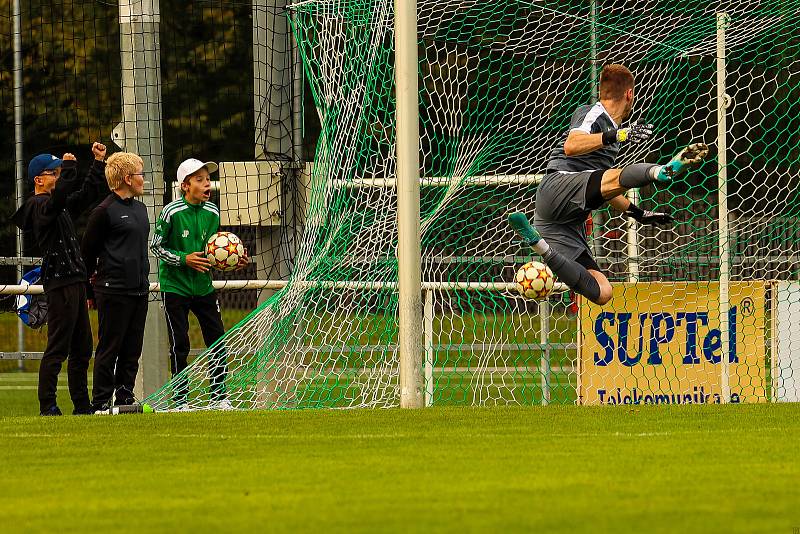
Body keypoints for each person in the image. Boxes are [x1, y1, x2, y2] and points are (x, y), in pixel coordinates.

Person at [509, 64, 708, 306]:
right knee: (616, 175)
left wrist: (638, 213)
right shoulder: (593, 113)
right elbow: (571, 145)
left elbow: (603, 186)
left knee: (603, 292)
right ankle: (661, 172)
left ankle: (539, 245)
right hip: (558, 186)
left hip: (564, 223)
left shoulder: (612, 130)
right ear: (629, 94)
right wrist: (618, 135)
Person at [12, 143, 108, 415]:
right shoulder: (38, 205)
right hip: (60, 283)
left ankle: (82, 405)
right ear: (38, 180)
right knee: (58, 347)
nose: (58, 177)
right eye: (53, 173)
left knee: (82, 349)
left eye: (58, 173)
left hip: (75, 282)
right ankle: (48, 405)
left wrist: (97, 163)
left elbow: (86, 194)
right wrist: (68, 169)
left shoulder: (58, 205)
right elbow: (59, 198)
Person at [149, 158, 248, 409]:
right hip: (175, 287)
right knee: (180, 343)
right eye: (200, 180)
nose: (207, 185)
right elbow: (156, 247)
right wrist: (184, 259)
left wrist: (232, 260)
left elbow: (212, 251)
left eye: (208, 179)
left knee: (217, 340)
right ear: (185, 185)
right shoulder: (171, 212)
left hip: (204, 287)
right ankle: (180, 400)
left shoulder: (212, 212)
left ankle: (219, 397)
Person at [81, 152, 150, 412]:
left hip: (139, 290)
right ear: (126, 178)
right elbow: (87, 254)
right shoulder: (104, 211)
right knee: (110, 347)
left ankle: (124, 398)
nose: (144, 179)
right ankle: (100, 401)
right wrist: (89, 291)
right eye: (140, 174)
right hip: (112, 290)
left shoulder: (141, 209)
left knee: (132, 349)